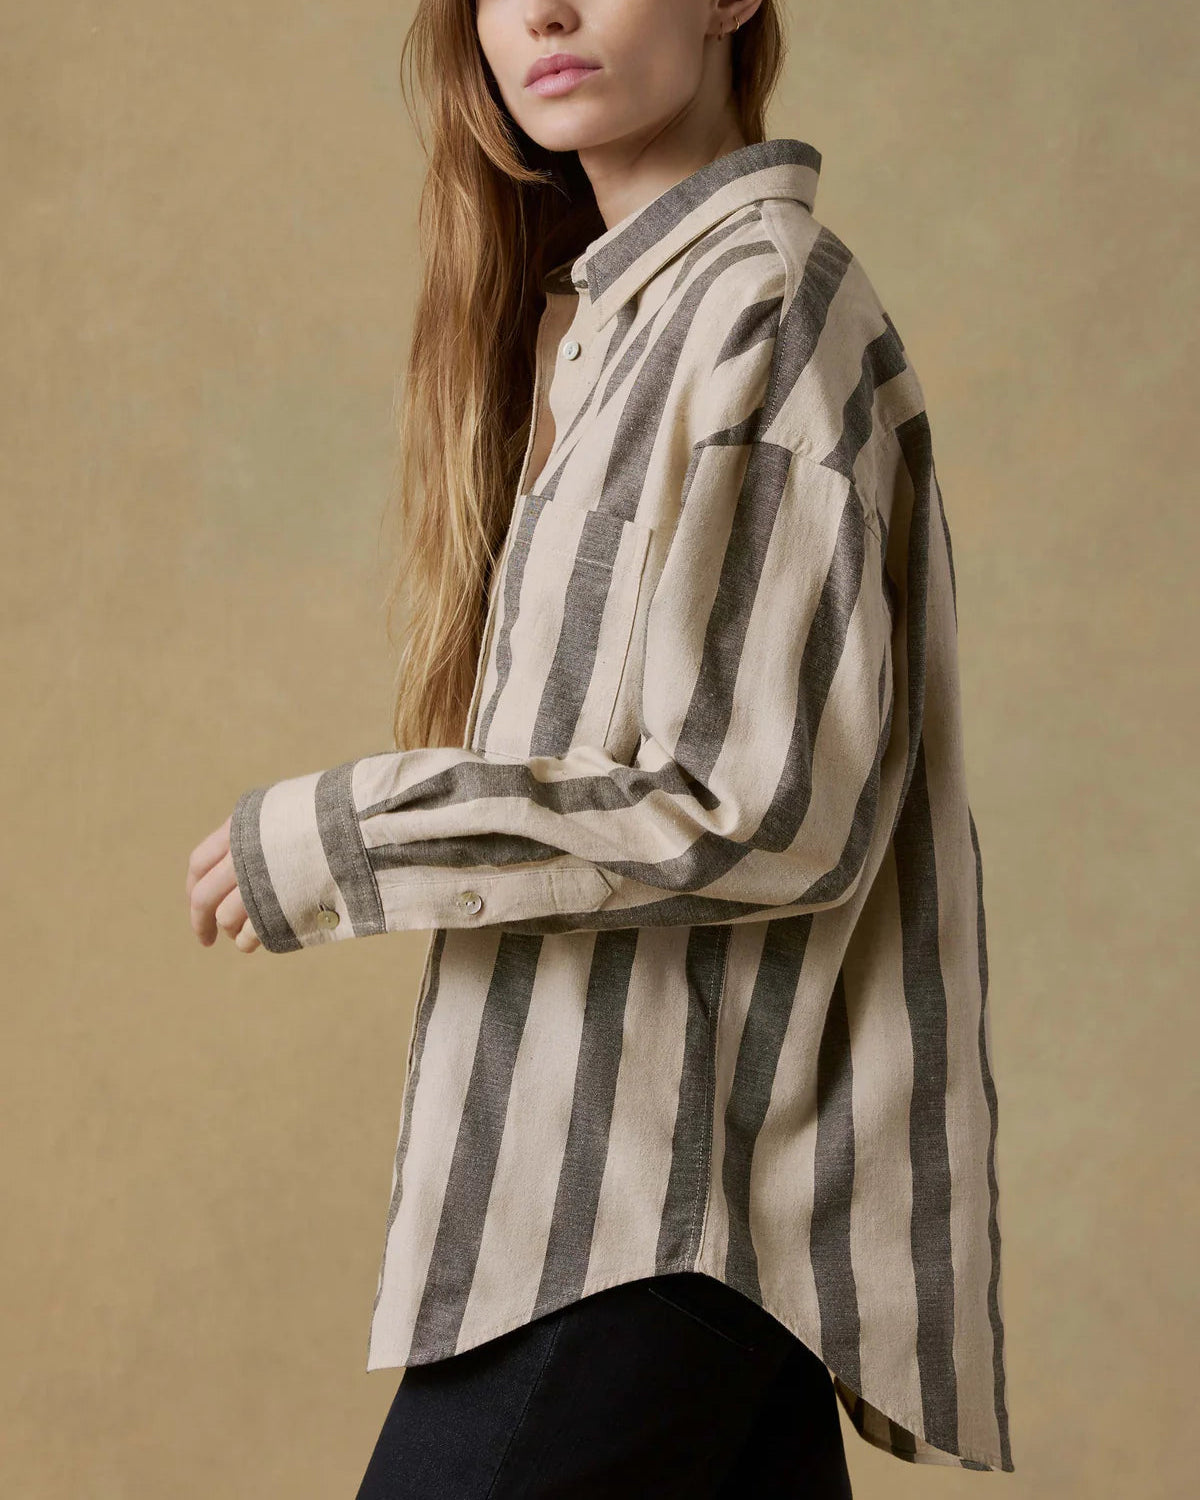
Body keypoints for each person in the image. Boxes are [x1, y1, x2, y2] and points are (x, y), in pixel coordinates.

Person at [186, 0, 1014, 1493]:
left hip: (640, 1220)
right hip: (645, 1217)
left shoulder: (766, 306)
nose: (545, 12)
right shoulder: (616, 324)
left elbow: (766, 806)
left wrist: (362, 834)